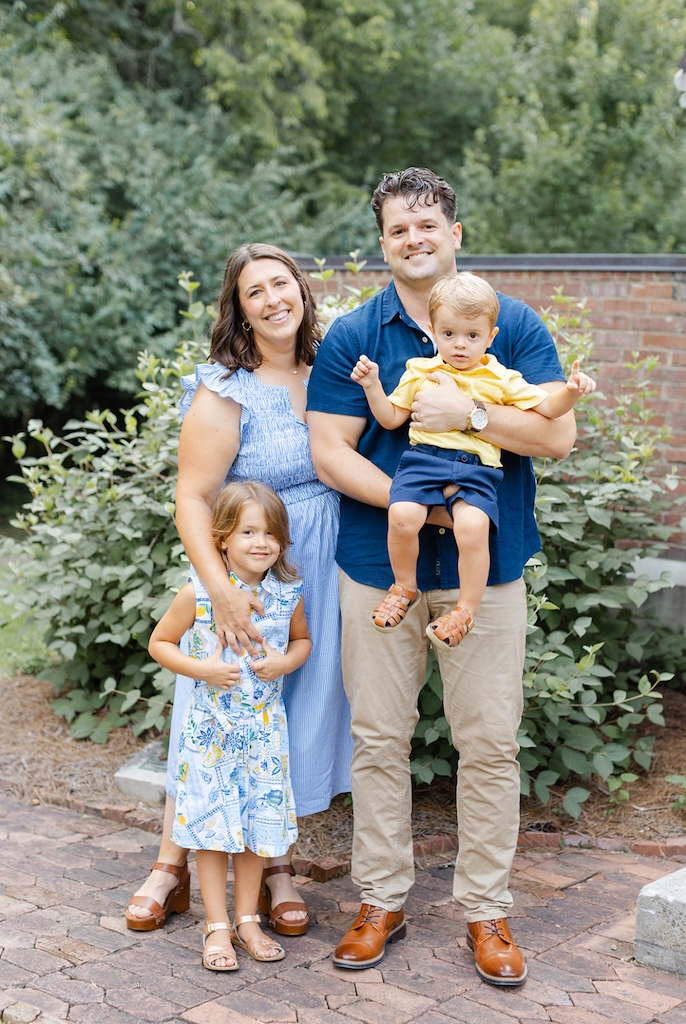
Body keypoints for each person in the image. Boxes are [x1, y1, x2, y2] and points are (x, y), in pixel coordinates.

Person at [306, 167, 578, 986]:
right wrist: (417, 507)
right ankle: (380, 898)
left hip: (485, 572)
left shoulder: (512, 321)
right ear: (383, 242)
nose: (414, 239)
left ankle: (485, 911)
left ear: (454, 232)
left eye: (428, 224)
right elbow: (330, 450)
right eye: (398, 228)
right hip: (375, 564)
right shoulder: (356, 333)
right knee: (378, 739)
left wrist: (476, 418)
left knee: (489, 743)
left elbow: (557, 438)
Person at [125, 243, 353, 935]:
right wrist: (220, 587)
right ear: (240, 308)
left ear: (303, 292)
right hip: (246, 571)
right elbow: (193, 497)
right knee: (215, 704)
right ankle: (170, 866)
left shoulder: (332, 374)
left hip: (321, 563)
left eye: (282, 283)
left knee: (286, 715)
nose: (273, 299)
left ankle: (276, 861)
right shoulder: (226, 386)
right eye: (255, 291)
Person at [351, 272, 596, 649]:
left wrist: (571, 393)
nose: (460, 345)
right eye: (448, 335)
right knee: (402, 514)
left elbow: (548, 408)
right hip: (423, 461)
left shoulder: (500, 376)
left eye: (472, 336)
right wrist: (372, 387)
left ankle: (466, 608)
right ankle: (404, 586)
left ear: (490, 336)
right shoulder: (422, 371)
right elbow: (391, 418)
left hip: (474, 468)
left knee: (471, 527)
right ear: (433, 331)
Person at [148, 480, 312, 970]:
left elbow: (302, 642)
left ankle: (247, 921)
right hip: (210, 736)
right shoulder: (198, 593)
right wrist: (202, 670)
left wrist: (285, 663)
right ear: (221, 538)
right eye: (247, 532)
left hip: (263, 734)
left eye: (270, 533)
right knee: (213, 828)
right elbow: (161, 643)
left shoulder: (288, 594)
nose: (261, 542)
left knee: (254, 829)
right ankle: (216, 925)